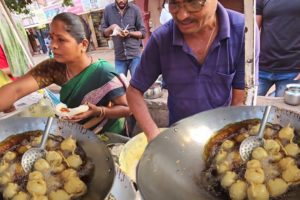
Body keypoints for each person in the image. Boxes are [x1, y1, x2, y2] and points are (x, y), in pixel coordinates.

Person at [126, 0, 259, 141]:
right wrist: (153, 134)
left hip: (221, 135)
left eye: (194, 3)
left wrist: (227, 141)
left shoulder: (243, 30)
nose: (182, 16)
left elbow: (239, 101)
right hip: (179, 137)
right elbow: (134, 92)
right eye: (174, 4)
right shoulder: (161, 39)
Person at [0, 12, 131, 135]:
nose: (53, 45)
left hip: (109, 135)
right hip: (78, 134)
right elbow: (16, 90)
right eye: (51, 38)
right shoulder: (54, 67)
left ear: (83, 44)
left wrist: (99, 111)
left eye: (61, 40)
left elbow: (128, 109)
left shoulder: (103, 72)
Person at [256, 0, 300, 97]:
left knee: (282, 110)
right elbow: (252, 32)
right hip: (260, 68)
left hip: (292, 70)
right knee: (246, 107)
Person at [101, 0, 146, 77]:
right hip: (119, 57)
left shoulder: (135, 9)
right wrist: (112, 27)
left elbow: (143, 33)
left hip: (135, 56)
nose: (121, 1)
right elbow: (103, 33)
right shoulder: (108, 10)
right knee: (120, 86)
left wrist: (129, 33)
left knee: (138, 85)